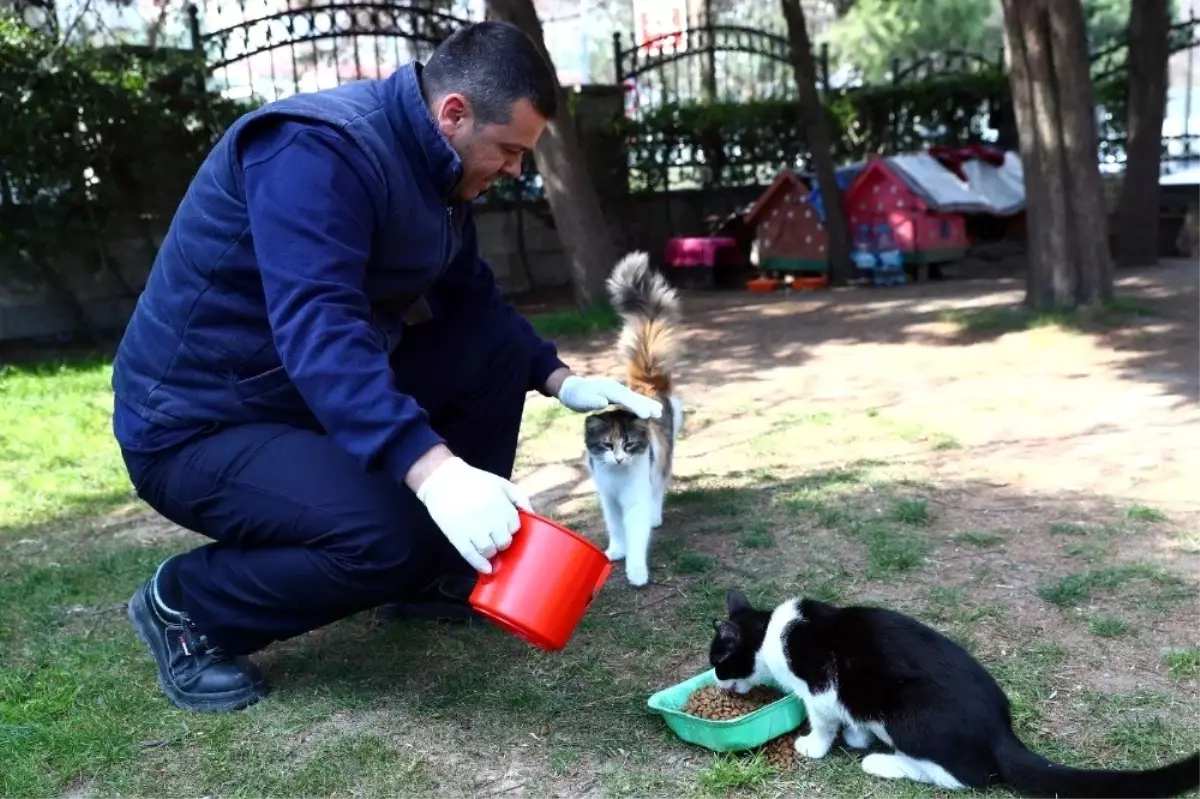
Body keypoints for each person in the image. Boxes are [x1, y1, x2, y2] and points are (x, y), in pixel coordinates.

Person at [110, 20, 661, 714]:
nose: (517, 170)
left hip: (296, 398)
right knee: (391, 532)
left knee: (489, 351)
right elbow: (321, 330)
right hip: (199, 422)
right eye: (511, 151)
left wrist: (560, 378)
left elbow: (475, 301)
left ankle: (433, 573)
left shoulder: (438, 170)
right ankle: (187, 606)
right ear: (453, 113)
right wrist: (435, 472)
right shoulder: (313, 150)